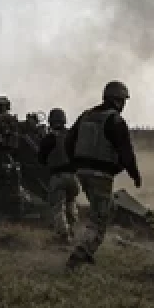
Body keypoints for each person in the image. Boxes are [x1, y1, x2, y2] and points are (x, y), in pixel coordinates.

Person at [63, 80, 141, 270]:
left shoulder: (85, 116)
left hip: (83, 172)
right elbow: (126, 152)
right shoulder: (114, 120)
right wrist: (134, 174)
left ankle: (85, 245)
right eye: (123, 101)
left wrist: (75, 163)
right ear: (119, 101)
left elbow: (68, 141)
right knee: (100, 219)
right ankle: (80, 254)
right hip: (101, 175)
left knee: (105, 208)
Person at [37, 107, 80, 243]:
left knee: (58, 207)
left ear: (50, 121)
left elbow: (41, 159)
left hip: (58, 177)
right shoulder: (72, 137)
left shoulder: (49, 139)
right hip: (73, 177)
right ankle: (72, 229)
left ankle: (63, 235)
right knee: (71, 202)